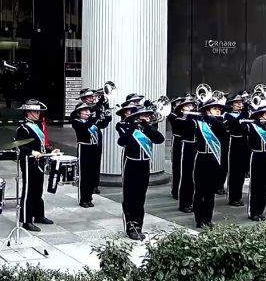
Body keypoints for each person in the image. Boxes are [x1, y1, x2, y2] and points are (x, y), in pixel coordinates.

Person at [117, 104, 165, 240]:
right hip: (131, 164)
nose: (147, 118)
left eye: (148, 115)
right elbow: (122, 141)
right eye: (144, 115)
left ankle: (139, 225)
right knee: (130, 197)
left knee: (140, 197)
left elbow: (159, 139)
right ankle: (130, 226)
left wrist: (148, 126)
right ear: (137, 116)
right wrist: (133, 127)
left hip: (144, 165)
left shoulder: (149, 129)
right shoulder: (126, 126)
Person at [15, 99, 59, 231]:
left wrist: (51, 151)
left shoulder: (38, 126)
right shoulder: (23, 128)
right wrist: (32, 151)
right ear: (28, 112)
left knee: (38, 189)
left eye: (39, 111)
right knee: (28, 191)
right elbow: (19, 146)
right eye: (35, 111)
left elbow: (41, 146)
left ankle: (39, 215)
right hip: (28, 162)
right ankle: (26, 220)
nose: (38, 113)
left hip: (39, 162)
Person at [192, 97, 228, 227]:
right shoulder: (198, 123)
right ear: (207, 110)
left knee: (210, 193)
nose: (218, 111)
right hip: (202, 159)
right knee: (200, 191)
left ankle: (208, 218)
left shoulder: (221, 124)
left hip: (215, 159)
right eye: (215, 108)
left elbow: (222, 132)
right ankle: (198, 219)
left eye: (219, 109)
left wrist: (211, 119)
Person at [70, 101, 112, 208]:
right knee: (84, 175)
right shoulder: (76, 122)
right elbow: (84, 128)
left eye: (88, 110)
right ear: (79, 113)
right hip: (84, 148)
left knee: (92, 174)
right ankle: (83, 199)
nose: (88, 112)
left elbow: (103, 124)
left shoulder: (92, 121)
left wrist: (107, 115)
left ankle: (89, 198)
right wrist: (96, 116)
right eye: (85, 111)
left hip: (94, 149)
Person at [169, 95, 199, 213]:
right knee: (185, 175)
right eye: (187, 106)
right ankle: (184, 203)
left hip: (196, 147)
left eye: (191, 105)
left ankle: (191, 200)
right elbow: (185, 127)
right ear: (181, 109)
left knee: (193, 176)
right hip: (185, 146)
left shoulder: (195, 118)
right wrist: (191, 116)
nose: (191, 107)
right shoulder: (179, 119)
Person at [224, 93, 249, 206]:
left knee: (241, 172)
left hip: (244, 143)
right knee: (234, 171)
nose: (240, 105)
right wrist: (245, 112)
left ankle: (238, 197)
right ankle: (232, 197)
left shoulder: (245, 114)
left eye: (241, 103)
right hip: (233, 143)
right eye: (237, 103)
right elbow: (236, 123)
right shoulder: (227, 115)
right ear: (232, 105)